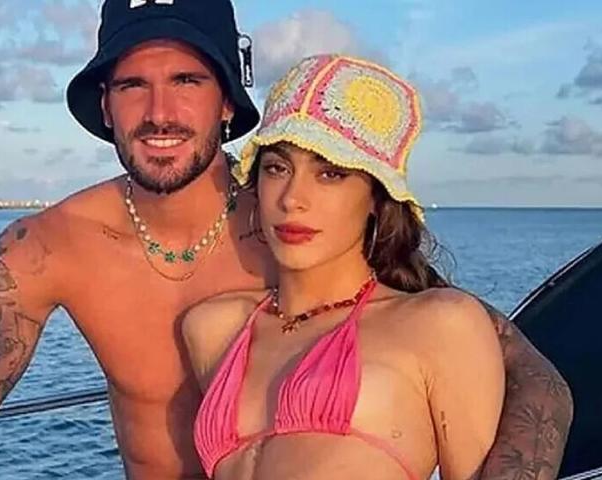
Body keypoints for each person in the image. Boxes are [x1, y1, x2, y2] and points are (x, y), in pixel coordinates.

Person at [0, 1, 572, 479]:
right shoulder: (46, 247)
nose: (160, 112)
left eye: (187, 81)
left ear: (228, 103)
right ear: (105, 105)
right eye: (132, 85)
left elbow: (531, 378)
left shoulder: (301, 226)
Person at [183, 54, 502, 479]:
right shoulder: (212, 328)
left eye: (330, 174)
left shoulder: (441, 324)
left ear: (376, 198)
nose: (292, 199)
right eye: (277, 168)